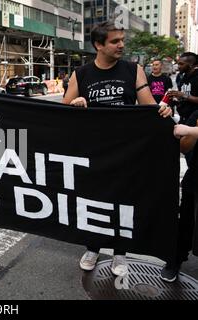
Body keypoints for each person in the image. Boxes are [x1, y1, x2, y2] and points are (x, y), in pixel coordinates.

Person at [62, 20, 172, 277]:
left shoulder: (134, 70)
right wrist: (76, 103)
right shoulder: (82, 74)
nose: (121, 44)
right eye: (115, 41)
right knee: (94, 201)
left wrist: (162, 110)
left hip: (126, 152)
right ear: (98, 45)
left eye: (122, 39)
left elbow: (149, 108)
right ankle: (93, 247)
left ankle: (120, 253)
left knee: (123, 202)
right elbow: (63, 110)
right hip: (94, 152)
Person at [163, 116, 198, 282]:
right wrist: (191, 134)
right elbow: (183, 147)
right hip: (195, 178)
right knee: (186, 222)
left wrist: (192, 131)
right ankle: (175, 260)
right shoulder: (196, 115)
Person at [168, 52, 198, 124]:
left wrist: (183, 95)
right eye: (178, 63)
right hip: (183, 118)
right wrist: (175, 97)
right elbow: (182, 95)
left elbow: (184, 95)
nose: (178, 66)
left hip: (195, 120)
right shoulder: (180, 76)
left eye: (181, 64)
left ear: (191, 64)